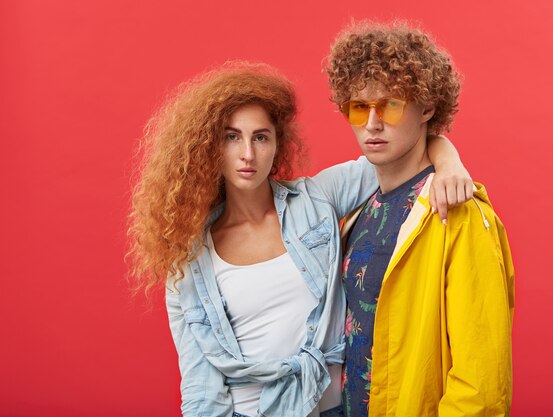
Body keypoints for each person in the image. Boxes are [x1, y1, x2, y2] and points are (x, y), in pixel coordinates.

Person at [127, 62, 471, 417]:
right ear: (209, 147)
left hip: (335, 407)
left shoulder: (316, 199)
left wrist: (449, 163)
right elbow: (201, 386)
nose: (248, 154)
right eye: (232, 137)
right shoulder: (189, 260)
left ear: (278, 143)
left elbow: (398, 154)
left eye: (260, 137)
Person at [326, 20, 515, 417]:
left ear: (427, 107)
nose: (372, 124)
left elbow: (482, 385)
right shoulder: (356, 212)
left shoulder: (459, 214)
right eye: (360, 107)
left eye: (391, 105)